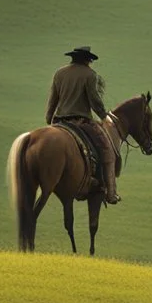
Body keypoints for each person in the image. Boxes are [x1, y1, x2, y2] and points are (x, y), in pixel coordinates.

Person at [45, 46, 120, 204]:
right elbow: (94, 101)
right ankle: (111, 193)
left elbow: (53, 99)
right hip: (81, 121)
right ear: (87, 60)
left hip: (59, 121)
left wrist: (49, 118)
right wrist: (105, 116)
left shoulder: (59, 73)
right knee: (107, 150)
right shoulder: (90, 75)